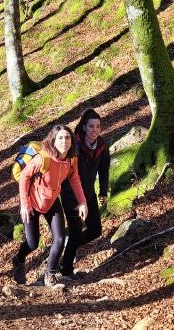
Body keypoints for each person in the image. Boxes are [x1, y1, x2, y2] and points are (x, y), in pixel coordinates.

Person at [13, 125, 88, 287]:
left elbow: (74, 179)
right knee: (32, 243)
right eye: (60, 138)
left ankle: (50, 274)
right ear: (53, 140)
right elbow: (24, 178)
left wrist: (82, 202)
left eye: (67, 138)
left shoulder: (71, 158)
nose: (64, 142)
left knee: (60, 239)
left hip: (52, 201)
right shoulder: (43, 158)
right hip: (32, 202)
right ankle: (18, 261)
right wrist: (25, 205)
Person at [59, 108, 110, 278]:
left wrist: (103, 191)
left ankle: (69, 248)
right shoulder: (74, 147)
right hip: (70, 195)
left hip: (88, 194)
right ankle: (66, 271)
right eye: (91, 126)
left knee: (95, 230)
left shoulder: (102, 146)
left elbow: (104, 170)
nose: (95, 130)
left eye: (98, 126)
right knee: (75, 231)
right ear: (84, 128)